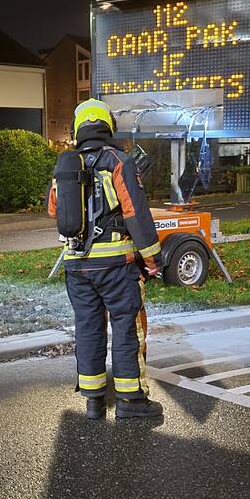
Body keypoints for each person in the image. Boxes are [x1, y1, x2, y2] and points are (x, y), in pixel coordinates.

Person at [47, 98, 164, 419]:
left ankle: (94, 400)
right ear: (108, 126)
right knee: (126, 329)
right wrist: (152, 260)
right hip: (115, 266)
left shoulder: (65, 165)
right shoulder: (117, 161)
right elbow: (135, 213)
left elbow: (54, 210)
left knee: (88, 329)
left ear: (78, 129)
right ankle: (130, 401)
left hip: (76, 265)